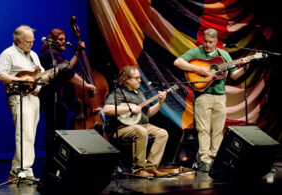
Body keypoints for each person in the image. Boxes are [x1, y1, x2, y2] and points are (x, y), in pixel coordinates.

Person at [173, 29, 249, 172]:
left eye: (210, 42)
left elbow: (233, 76)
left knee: (219, 130)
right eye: (205, 41)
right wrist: (198, 69)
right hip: (203, 96)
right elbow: (178, 62)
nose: (207, 45)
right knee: (203, 129)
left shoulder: (223, 55)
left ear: (216, 42)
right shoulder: (196, 52)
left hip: (220, 96)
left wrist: (244, 68)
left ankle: (215, 159)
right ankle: (205, 160)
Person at [0, 25, 53, 181]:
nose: (31, 44)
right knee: (25, 133)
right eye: (28, 42)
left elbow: (40, 75)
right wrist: (21, 80)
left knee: (30, 134)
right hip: (18, 96)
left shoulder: (33, 55)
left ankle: (17, 171)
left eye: (32, 41)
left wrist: (47, 77)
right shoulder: (8, 54)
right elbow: (0, 75)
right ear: (18, 41)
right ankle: (24, 172)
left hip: (33, 97)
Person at [38, 28, 95, 157]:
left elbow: (66, 67)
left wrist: (78, 54)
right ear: (52, 40)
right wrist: (86, 85)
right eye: (60, 39)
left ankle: (55, 160)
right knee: (55, 131)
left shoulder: (55, 54)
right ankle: (53, 161)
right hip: (54, 98)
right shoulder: (51, 53)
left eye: (64, 39)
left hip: (58, 99)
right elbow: (68, 73)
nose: (64, 42)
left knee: (57, 130)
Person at [103, 66, 169, 177]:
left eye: (139, 78)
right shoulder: (119, 93)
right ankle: (138, 170)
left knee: (162, 133)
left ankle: (151, 167)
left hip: (142, 124)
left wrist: (160, 103)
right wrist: (129, 108)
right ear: (127, 79)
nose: (140, 80)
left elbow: (148, 113)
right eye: (136, 78)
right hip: (121, 128)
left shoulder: (140, 94)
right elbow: (107, 109)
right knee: (140, 131)